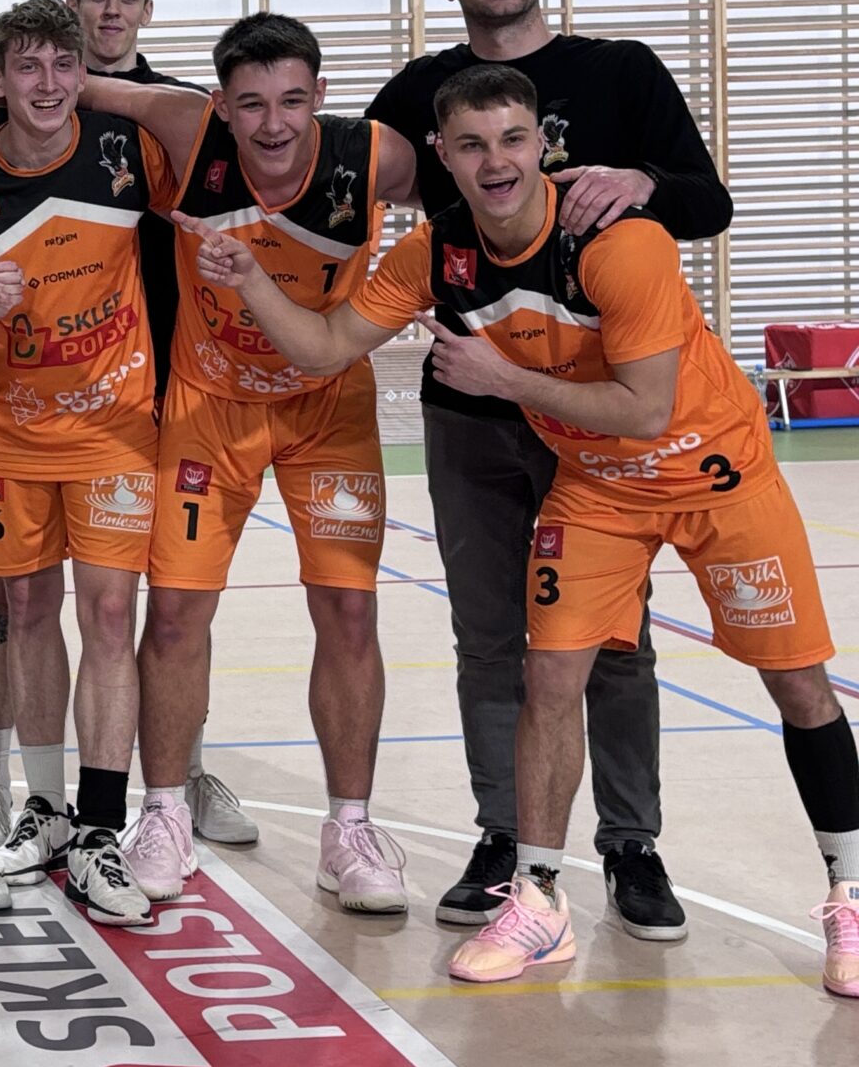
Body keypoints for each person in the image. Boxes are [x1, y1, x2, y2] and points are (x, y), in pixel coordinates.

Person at [206, 63, 859, 995]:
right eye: (472, 145)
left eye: (513, 140)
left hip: (716, 476)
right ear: (443, 155)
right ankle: (541, 898)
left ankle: (850, 893)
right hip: (597, 491)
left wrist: (503, 380)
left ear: (541, 145)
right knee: (549, 676)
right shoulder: (435, 251)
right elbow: (323, 347)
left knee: (795, 683)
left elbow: (645, 409)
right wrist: (250, 283)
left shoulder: (619, 244)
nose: (496, 162)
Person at [366, 0, 725, 939]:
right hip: (472, 402)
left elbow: (708, 204)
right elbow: (310, 162)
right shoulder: (419, 92)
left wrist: (646, 181)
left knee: (613, 639)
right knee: (489, 635)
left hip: (599, 415)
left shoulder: (619, 72)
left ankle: (631, 843)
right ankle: (505, 837)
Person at [80, 13, 418, 911]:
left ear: (321, 95)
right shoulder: (185, 125)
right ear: (222, 105)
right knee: (176, 614)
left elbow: (481, 194)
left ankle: (350, 831)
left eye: (294, 101)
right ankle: (164, 815)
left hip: (327, 408)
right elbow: (69, 83)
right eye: (254, 104)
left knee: (350, 611)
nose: (275, 123)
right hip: (210, 405)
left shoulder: (372, 156)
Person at [0, 0, 254, 850]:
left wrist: (41, 85)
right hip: (18, 412)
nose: (113, 10)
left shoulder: (138, 130)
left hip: (137, 399)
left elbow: (204, 121)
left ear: (144, 12)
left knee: (150, 608)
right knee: (12, 606)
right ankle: (10, 785)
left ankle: (156, 789)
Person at [0, 0, 159, 923]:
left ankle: (100, 828)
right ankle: (49, 809)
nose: (49, 84)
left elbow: (202, 119)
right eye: (27, 67)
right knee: (25, 612)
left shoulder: (124, 150)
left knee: (110, 613)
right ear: (0, 79)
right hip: (13, 434)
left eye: (64, 65)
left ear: (84, 73)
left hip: (115, 429)